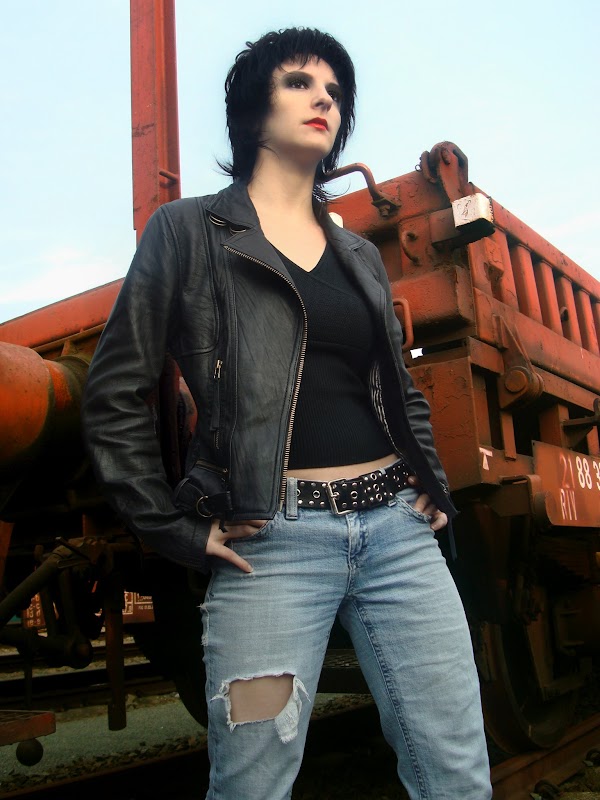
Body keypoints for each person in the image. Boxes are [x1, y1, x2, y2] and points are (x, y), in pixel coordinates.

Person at [82, 27, 492, 800]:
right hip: (270, 547)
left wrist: (430, 483)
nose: (323, 100)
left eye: (335, 92)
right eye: (301, 83)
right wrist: (169, 527)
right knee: (252, 783)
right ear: (253, 107)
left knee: (458, 773)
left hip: (400, 538)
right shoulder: (187, 231)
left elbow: (396, 387)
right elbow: (113, 393)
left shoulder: (357, 254)